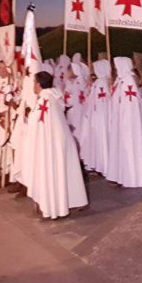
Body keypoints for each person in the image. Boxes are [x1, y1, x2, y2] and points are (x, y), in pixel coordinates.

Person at [25, 70, 88, 219]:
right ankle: (64, 202)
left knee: (52, 173)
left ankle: (53, 207)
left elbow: (37, 122)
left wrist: (29, 115)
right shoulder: (54, 96)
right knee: (63, 173)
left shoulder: (44, 100)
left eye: (34, 82)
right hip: (60, 141)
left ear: (39, 84)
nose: (33, 85)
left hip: (50, 145)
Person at [105, 56, 142, 188]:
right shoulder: (121, 80)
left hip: (127, 122)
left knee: (128, 146)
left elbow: (129, 104)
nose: (115, 69)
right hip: (120, 120)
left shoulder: (128, 81)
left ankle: (131, 176)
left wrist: (122, 118)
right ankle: (120, 175)